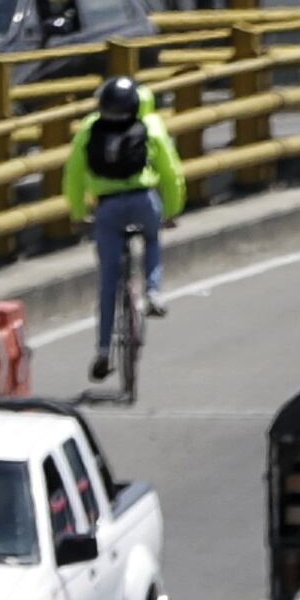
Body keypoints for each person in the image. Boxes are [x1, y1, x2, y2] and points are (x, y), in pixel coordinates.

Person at [63, 77, 185, 379]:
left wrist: (78, 213)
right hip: (143, 200)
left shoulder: (91, 127)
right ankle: (154, 292)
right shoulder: (151, 124)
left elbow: (73, 175)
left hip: (107, 208)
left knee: (108, 280)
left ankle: (104, 350)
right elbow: (171, 173)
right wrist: (171, 211)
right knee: (152, 238)